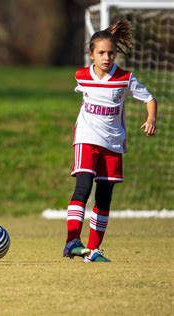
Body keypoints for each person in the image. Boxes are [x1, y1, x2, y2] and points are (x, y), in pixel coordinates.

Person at [63, 20, 158, 262]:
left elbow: (150, 99)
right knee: (83, 187)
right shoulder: (81, 76)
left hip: (113, 144)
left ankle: (93, 250)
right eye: (101, 53)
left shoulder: (125, 78)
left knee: (104, 197)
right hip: (86, 138)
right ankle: (72, 241)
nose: (107, 57)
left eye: (111, 53)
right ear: (91, 54)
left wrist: (151, 118)